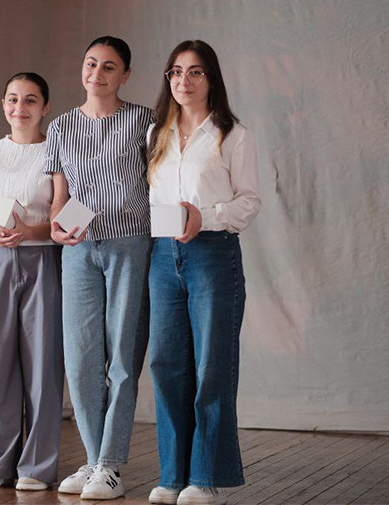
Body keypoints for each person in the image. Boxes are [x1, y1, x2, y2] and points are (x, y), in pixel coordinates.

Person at [145, 41, 261, 505]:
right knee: (166, 364)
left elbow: (249, 202)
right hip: (162, 255)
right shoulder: (156, 134)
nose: (184, 81)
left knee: (212, 366)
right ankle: (173, 475)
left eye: (195, 72)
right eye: (176, 72)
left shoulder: (233, 135)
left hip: (213, 255)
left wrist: (205, 216)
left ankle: (206, 476)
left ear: (211, 78)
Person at [45, 36, 154, 500]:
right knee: (81, 357)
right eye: (91, 63)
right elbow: (59, 199)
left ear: (125, 75)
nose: (97, 73)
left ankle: (110, 464)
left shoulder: (144, 121)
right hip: (79, 249)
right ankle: (93, 459)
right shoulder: (61, 126)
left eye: (109, 67)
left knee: (123, 355)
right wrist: (56, 228)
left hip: (131, 243)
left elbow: (158, 182)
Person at [0, 73, 64, 492]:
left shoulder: (56, 151)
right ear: (3, 103)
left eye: (29, 100)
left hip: (42, 260)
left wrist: (29, 231)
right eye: (12, 99)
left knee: (43, 364)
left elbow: (61, 219)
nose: (19, 108)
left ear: (45, 107)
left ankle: (37, 467)